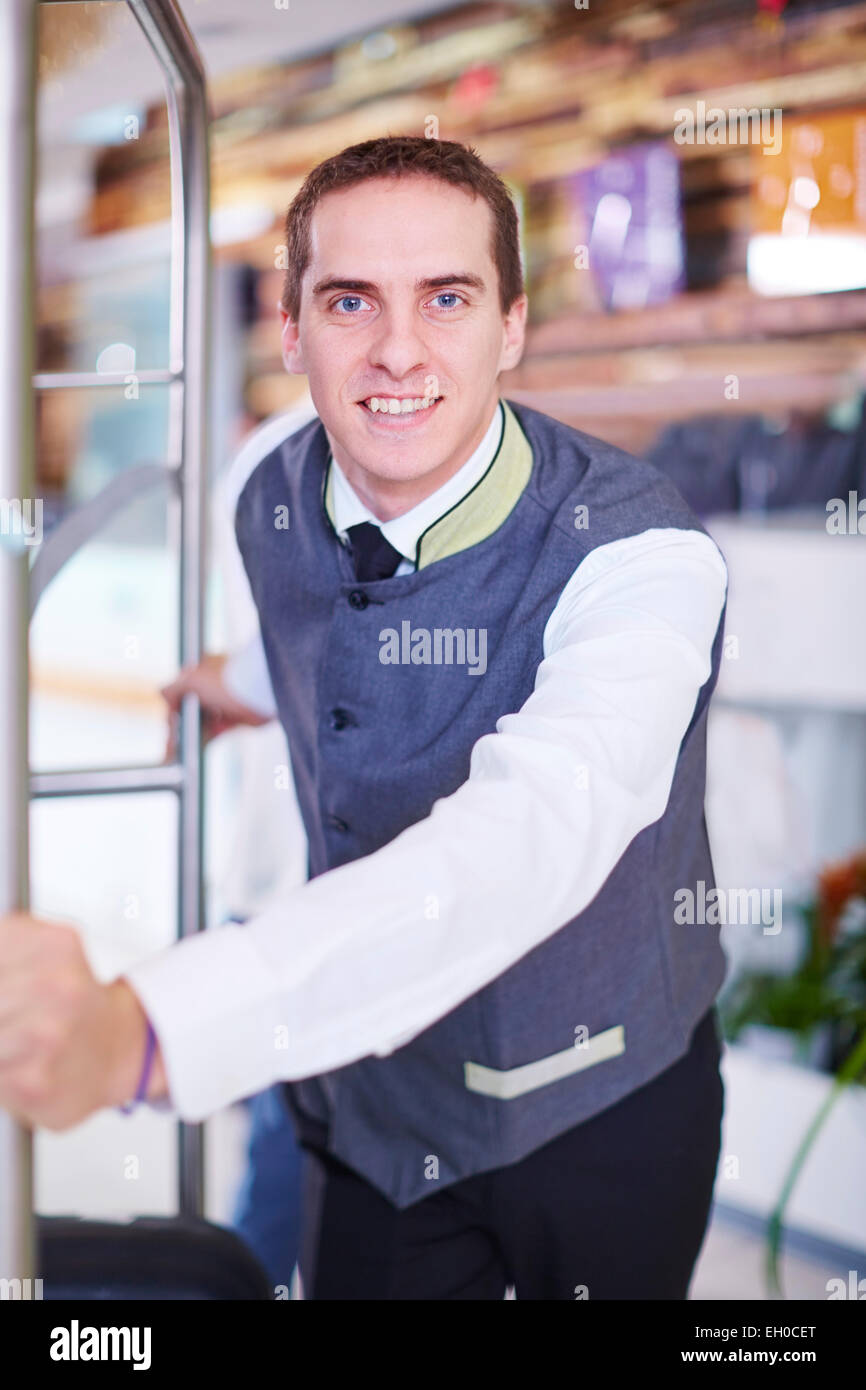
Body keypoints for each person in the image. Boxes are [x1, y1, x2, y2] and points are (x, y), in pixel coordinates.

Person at [0, 135, 729, 1300]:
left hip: (602, 1105)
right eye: (350, 301)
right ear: (290, 330)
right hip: (377, 1105)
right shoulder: (268, 494)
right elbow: (323, 621)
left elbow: (527, 835)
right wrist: (237, 681)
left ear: (511, 327)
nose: (398, 349)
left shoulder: (641, 557)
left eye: (447, 297)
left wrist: (148, 1033)